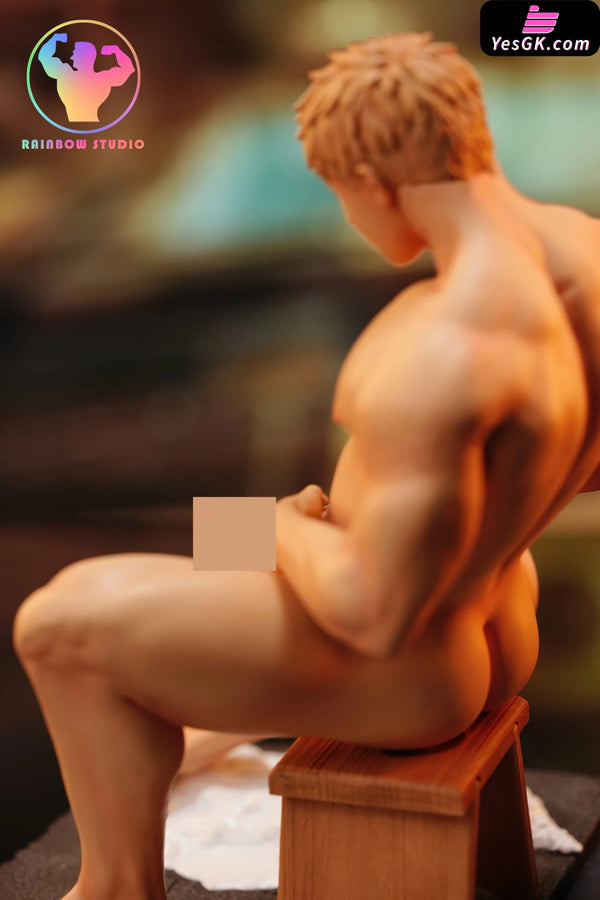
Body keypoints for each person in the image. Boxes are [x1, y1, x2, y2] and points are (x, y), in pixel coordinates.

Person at [13, 32, 600, 900]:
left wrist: (288, 527)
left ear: (370, 181)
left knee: (57, 621)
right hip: (499, 612)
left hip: (414, 669)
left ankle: (113, 886)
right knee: (208, 536)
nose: (350, 219)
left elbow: (370, 611)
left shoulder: (441, 344)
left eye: (341, 196)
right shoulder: (582, 253)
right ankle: (178, 724)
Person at [38, 33, 135, 122]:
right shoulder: (103, 79)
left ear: (84, 57)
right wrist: (116, 51)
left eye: (75, 54)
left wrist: (54, 39)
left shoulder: (66, 74)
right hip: (91, 126)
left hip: (74, 126)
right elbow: (127, 69)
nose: (71, 57)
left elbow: (44, 57)